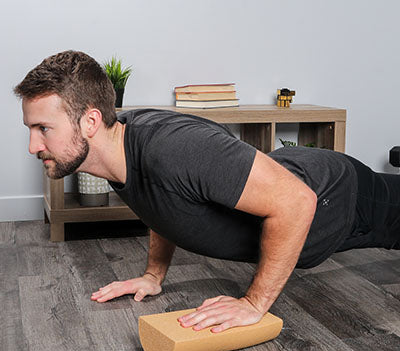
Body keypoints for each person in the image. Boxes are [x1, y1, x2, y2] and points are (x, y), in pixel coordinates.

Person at [14, 50, 400, 333]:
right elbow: (162, 202)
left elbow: (297, 201)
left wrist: (253, 304)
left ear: (90, 121)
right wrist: (153, 275)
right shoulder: (118, 151)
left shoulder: (174, 148)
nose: (33, 146)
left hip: (337, 196)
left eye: (43, 128)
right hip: (303, 190)